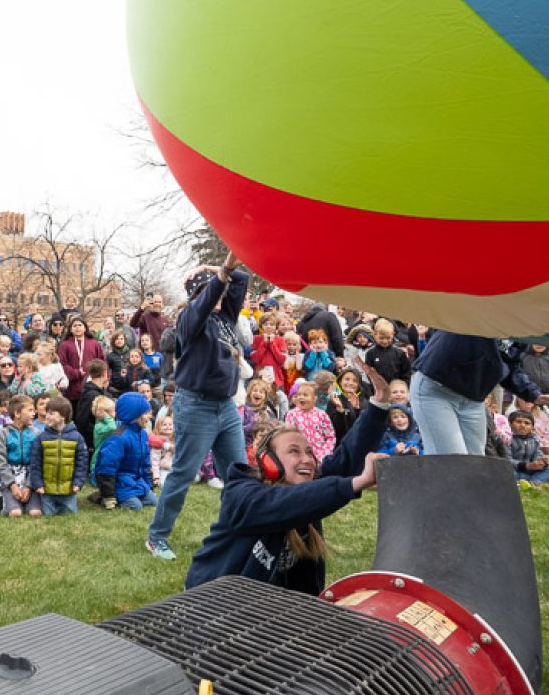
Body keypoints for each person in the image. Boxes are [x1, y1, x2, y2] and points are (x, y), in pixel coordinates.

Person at [186, 364, 391, 592]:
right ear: (268, 462)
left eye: (309, 452)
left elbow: (347, 458)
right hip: (210, 606)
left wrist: (379, 404)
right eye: (294, 451)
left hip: (268, 612)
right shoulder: (241, 493)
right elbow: (280, 502)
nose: (306, 459)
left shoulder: (308, 489)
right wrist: (356, 483)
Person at [146, 251, 248, 562]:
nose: (216, 297)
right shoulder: (189, 320)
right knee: (183, 473)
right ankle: (157, 537)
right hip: (196, 405)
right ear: (196, 296)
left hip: (226, 407)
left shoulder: (226, 317)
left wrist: (215, 268)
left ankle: (239, 532)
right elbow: (207, 300)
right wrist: (219, 275)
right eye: (207, 292)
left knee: (239, 474)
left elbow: (241, 279)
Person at [410, 331, 549, 455]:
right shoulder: (475, 309)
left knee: (476, 461)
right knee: (451, 459)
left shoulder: (518, 332)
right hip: (436, 390)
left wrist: (533, 393)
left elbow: (511, 366)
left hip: (473, 401)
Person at [95, 392, 158, 512]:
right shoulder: (118, 438)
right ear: (134, 415)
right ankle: (104, 497)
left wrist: (149, 486)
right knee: (135, 507)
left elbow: (145, 464)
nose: (149, 416)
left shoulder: (142, 434)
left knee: (153, 502)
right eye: (145, 413)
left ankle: (134, 495)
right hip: (121, 484)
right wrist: (109, 495)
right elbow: (106, 467)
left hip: (137, 482)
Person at [30, 396, 88, 516]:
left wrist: (78, 482)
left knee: (70, 515)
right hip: (47, 490)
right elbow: (35, 464)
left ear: (63, 416)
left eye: (51, 413)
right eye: (47, 413)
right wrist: (38, 484)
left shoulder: (77, 437)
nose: (47, 416)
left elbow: (82, 463)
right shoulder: (41, 438)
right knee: (48, 515)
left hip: (68, 490)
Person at [0, 394, 41, 517]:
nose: (34, 413)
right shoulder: (3, 433)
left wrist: (29, 486)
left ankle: (28, 501)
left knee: (35, 513)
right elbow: (1, 462)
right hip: (11, 479)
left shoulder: (36, 433)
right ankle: (10, 502)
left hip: (30, 478)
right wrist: (12, 485)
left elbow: (36, 463)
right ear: (17, 413)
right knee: (16, 513)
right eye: (30, 410)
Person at [57, 316, 106, 403]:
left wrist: (105, 378)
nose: (77, 328)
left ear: (85, 328)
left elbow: (102, 362)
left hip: (92, 385)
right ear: (70, 329)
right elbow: (62, 364)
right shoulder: (65, 345)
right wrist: (76, 373)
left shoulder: (93, 343)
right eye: (74, 326)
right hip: (72, 387)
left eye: (80, 325)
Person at [508, 410, 549, 488]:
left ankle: (531, 483)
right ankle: (538, 481)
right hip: (515, 469)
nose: (522, 425)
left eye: (527, 423)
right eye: (518, 422)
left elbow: (538, 455)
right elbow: (507, 459)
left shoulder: (534, 439)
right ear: (510, 424)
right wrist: (525, 466)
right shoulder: (507, 439)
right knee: (508, 473)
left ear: (532, 427)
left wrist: (541, 462)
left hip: (530, 470)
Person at [74, 358, 112, 449]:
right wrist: (98, 433)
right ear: (104, 373)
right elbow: (82, 421)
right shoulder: (90, 395)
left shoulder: (100, 392)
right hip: (93, 443)